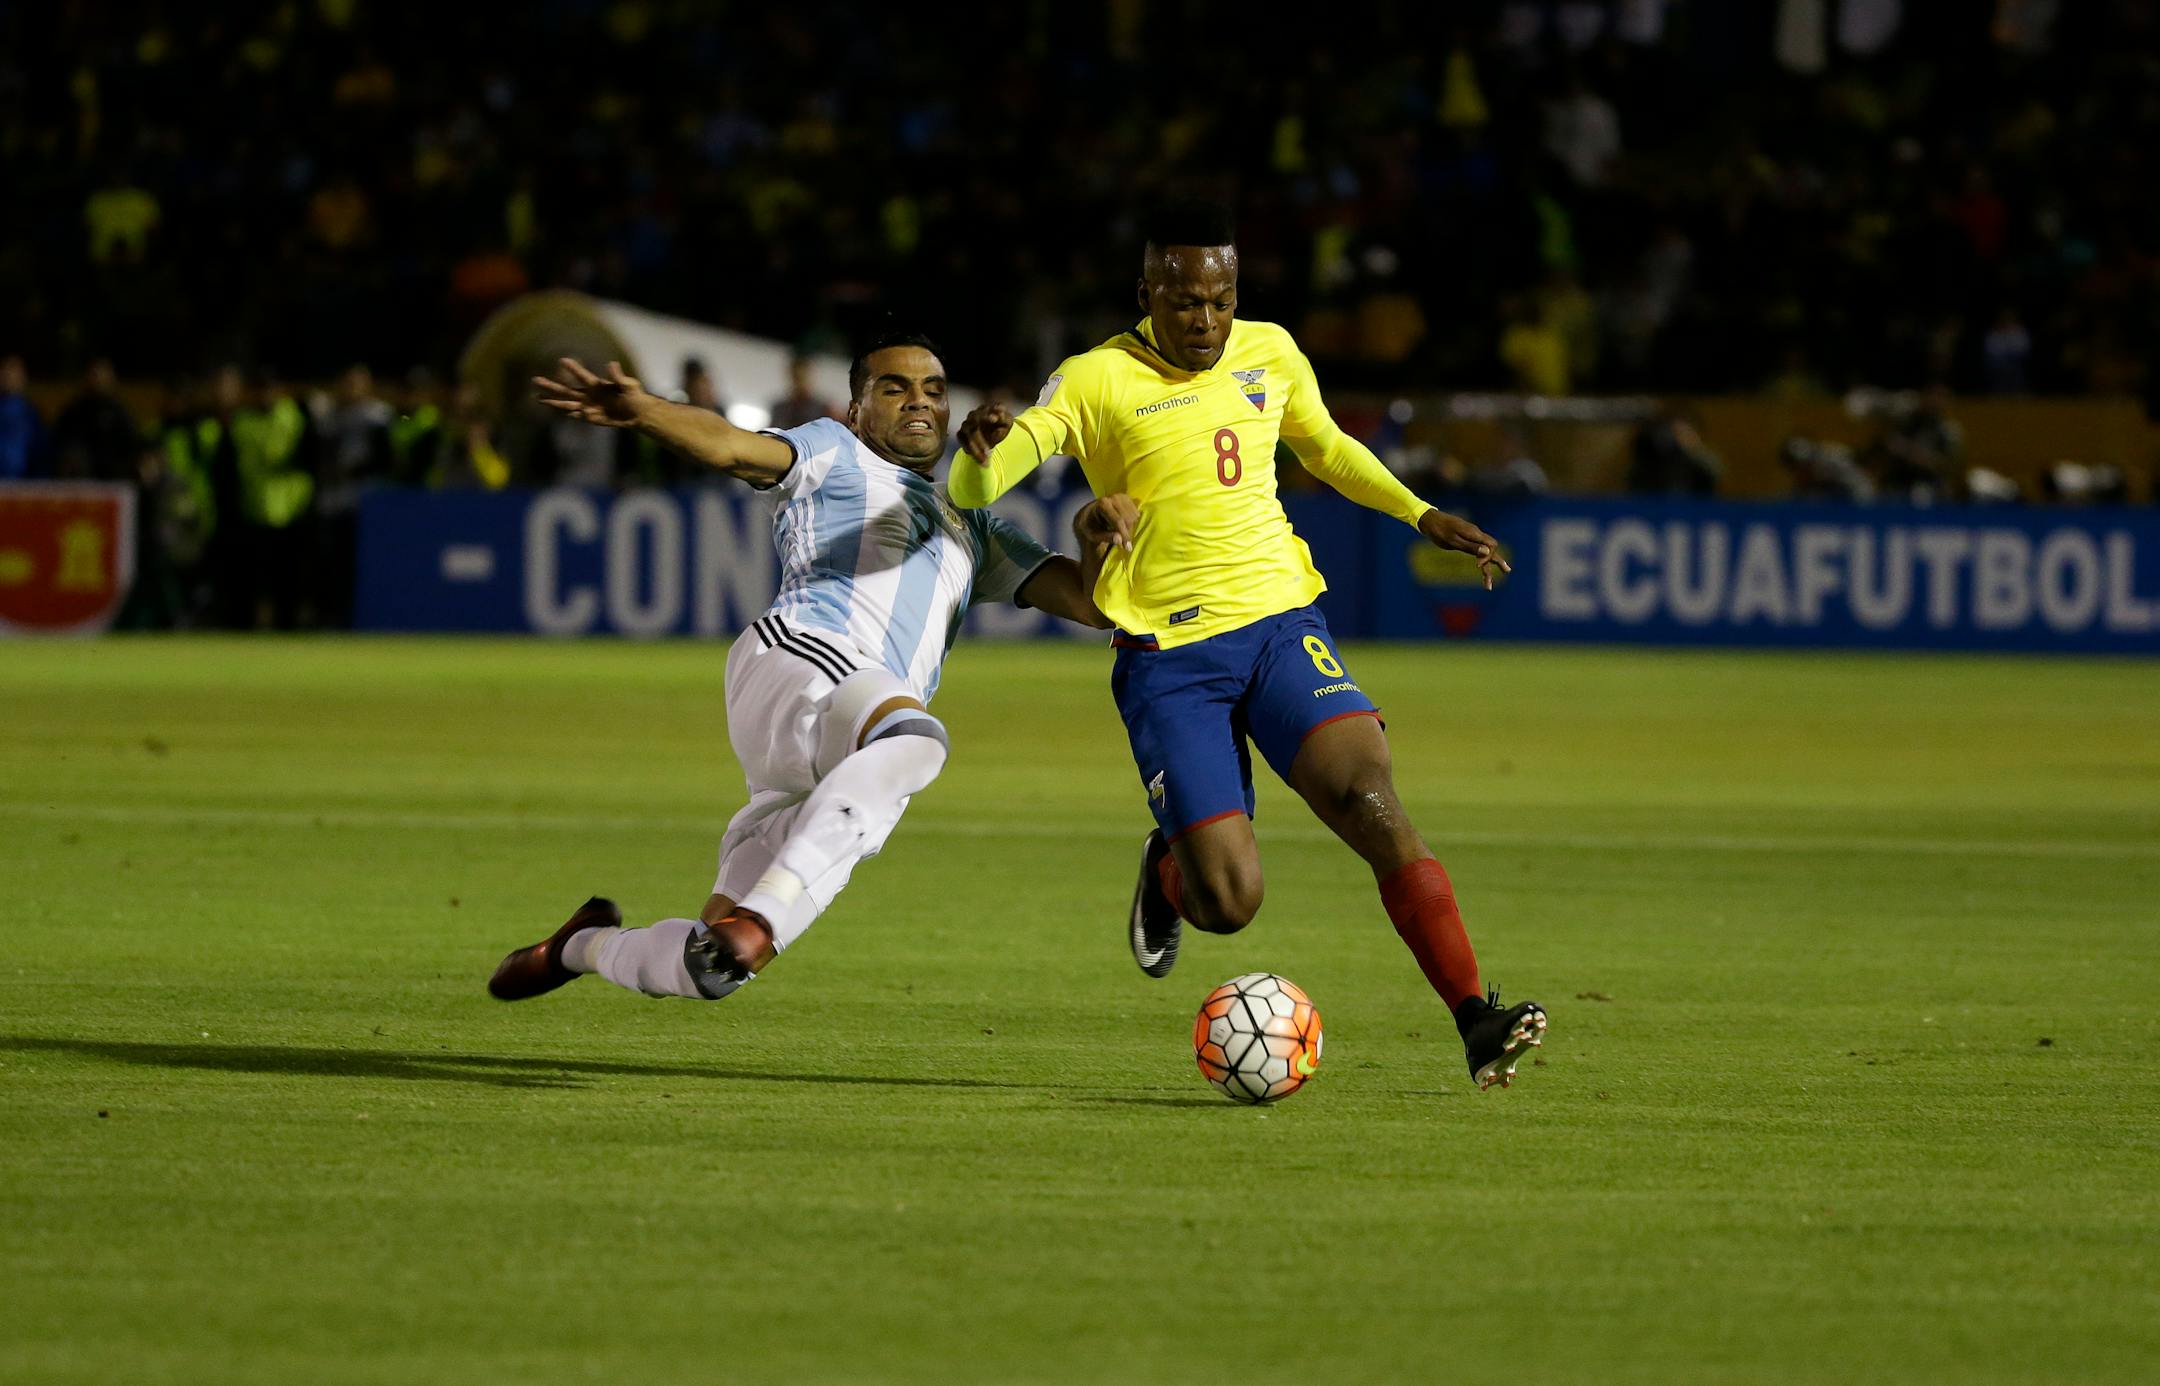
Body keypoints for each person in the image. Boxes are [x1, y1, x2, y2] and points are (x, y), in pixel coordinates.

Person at [951, 202, 1548, 1091]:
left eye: (1222, 298)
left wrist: (1421, 514)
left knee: (1370, 796)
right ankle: (1169, 872)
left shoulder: (1271, 351)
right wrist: (977, 454)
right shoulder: (1094, 379)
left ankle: (1474, 1017)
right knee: (1230, 905)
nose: (1206, 319)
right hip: (1169, 660)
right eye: (1186, 300)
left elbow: (1331, 449)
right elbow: (986, 478)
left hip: (1278, 626)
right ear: (1147, 292)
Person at [489, 333, 1110, 1005]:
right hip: (803, 659)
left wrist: (1092, 538)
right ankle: (765, 918)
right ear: (854, 409)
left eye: (933, 389)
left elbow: (1091, 603)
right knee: (917, 742)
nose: (918, 402)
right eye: (894, 388)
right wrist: (645, 410)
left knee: (710, 963)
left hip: (848, 755)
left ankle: (580, 947)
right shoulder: (832, 451)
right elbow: (731, 445)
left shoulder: (978, 529)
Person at [768, 353, 838, 429]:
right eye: (797, 376)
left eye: (803, 376)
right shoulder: (779, 409)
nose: (800, 382)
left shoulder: (824, 409)